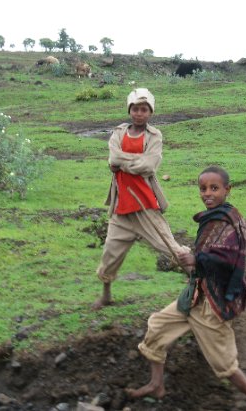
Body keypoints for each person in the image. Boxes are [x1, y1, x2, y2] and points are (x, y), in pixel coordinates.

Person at [126, 166, 246, 411]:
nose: (207, 193)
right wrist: (194, 258)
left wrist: (197, 259)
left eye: (214, 188)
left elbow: (228, 259)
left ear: (227, 190)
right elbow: (208, 254)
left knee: (224, 363)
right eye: (203, 188)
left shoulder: (227, 222)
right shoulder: (214, 218)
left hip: (212, 303)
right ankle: (156, 384)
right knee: (157, 326)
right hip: (195, 294)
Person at [92, 88, 190, 310]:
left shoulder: (154, 136)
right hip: (121, 207)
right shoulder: (118, 133)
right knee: (110, 253)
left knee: (169, 246)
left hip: (145, 205)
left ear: (150, 112)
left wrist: (123, 163)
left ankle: (200, 280)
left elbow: (149, 166)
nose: (139, 113)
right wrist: (133, 161)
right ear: (129, 110)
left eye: (144, 109)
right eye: (135, 109)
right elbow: (112, 158)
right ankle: (106, 295)